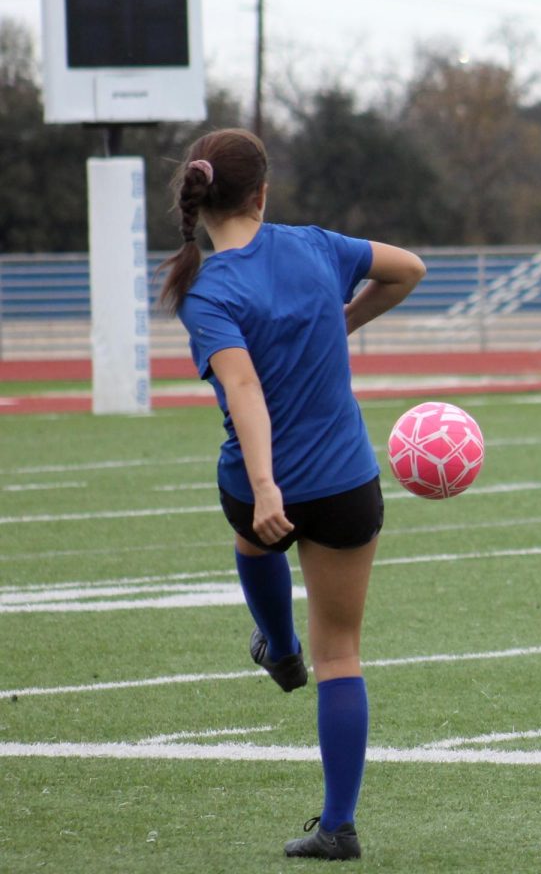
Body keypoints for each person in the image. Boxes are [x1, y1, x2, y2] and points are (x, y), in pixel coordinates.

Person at [157, 128, 426, 859]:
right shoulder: (314, 246)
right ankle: (338, 828)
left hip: (256, 487)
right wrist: (349, 319)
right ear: (262, 193)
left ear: (202, 202)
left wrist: (269, 483)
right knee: (342, 655)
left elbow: (243, 388)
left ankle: (277, 645)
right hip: (345, 484)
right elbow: (409, 269)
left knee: (252, 537)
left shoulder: (206, 289)